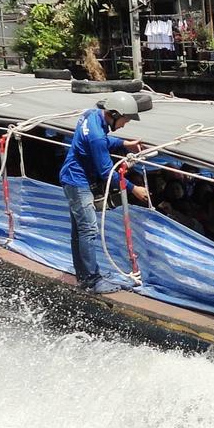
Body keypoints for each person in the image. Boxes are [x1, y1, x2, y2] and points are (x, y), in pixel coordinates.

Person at [58, 94, 147, 290]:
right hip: (77, 182)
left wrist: (124, 144)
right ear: (114, 114)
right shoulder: (97, 136)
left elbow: (102, 141)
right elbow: (107, 173)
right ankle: (91, 280)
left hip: (72, 178)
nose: (124, 125)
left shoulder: (91, 115)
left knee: (79, 231)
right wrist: (134, 189)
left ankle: (84, 275)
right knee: (88, 229)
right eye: (125, 120)